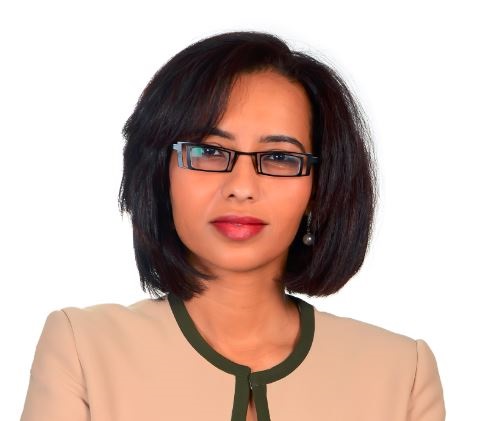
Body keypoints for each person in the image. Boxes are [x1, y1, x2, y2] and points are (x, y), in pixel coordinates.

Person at [20, 31, 446, 421]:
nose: (241, 188)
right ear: (160, 173)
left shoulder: (400, 373)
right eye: (209, 151)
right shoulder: (83, 349)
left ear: (319, 188)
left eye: (279, 157)